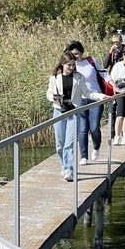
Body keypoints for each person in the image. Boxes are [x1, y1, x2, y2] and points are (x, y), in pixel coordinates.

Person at [46, 52, 108, 181]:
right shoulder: (54, 78)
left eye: (73, 65)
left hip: (73, 111)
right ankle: (64, 166)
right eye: (69, 65)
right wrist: (53, 97)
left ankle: (69, 170)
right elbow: (49, 93)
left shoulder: (78, 77)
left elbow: (87, 93)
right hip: (59, 111)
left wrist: (101, 96)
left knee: (70, 142)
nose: (72, 68)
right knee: (60, 143)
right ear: (63, 64)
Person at [65, 40, 106, 165]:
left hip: (95, 96)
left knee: (94, 127)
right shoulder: (71, 66)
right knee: (82, 128)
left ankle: (97, 146)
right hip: (81, 100)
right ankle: (84, 156)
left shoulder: (90, 61)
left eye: (77, 54)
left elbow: (103, 73)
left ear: (81, 52)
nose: (75, 57)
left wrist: (113, 86)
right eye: (72, 54)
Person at [103, 32, 124, 137]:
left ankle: (121, 132)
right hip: (113, 82)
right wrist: (110, 52)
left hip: (123, 82)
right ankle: (112, 132)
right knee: (112, 107)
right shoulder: (112, 52)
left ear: (121, 41)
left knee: (122, 108)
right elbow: (105, 65)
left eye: (117, 42)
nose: (116, 44)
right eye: (114, 42)